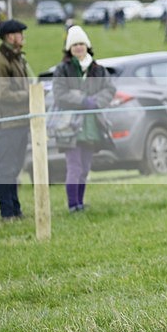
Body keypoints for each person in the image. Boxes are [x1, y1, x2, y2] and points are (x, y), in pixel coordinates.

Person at [52, 26, 116, 212]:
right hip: (70, 126)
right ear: (69, 48)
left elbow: (109, 89)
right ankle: (73, 205)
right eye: (74, 45)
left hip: (92, 125)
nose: (79, 48)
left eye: (81, 44)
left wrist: (96, 101)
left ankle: (80, 203)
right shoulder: (63, 70)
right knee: (74, 166)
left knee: (85, 167)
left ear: (87, 46)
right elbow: (60, 94)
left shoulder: (98, 69)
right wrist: (82, 100)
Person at [0, 19, 31, 222]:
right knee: (6, 169)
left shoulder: (17, 58)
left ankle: (15, 209)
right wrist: (29, 94)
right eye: (19, 33)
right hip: (7, 124)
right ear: (10, 36)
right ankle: (7, 212)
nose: (22, 37)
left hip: (19, 122)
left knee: (14, 168)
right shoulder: (0, 62)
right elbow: (1, 94)